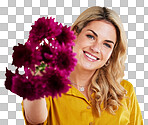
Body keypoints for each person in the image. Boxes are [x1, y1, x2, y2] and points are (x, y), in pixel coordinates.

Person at [22, 6, 143, 125]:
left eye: (107, 44)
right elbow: (35, 119)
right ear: (74, 35)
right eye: (91, 36)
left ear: (112, 53)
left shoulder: (124, 91)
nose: (95, 48)